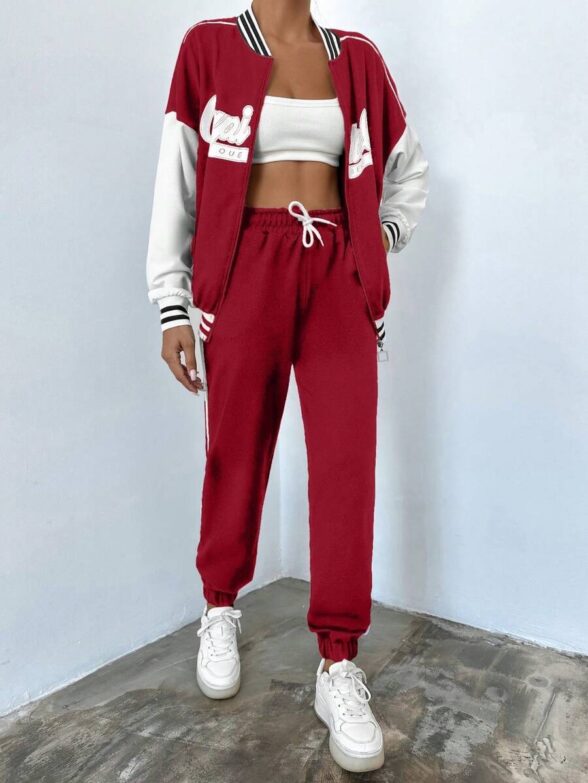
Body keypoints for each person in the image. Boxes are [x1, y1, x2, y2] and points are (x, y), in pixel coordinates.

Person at [146, 0, 428, 772]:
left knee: (346, 463)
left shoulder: (357, 58)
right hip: (246, 267)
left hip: (337, 270)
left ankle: (338, 663)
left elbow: (408, 169)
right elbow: (178, 178)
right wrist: (171, 302)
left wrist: (378, 239)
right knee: (236, 447)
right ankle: (219, 605)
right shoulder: (208, 49)